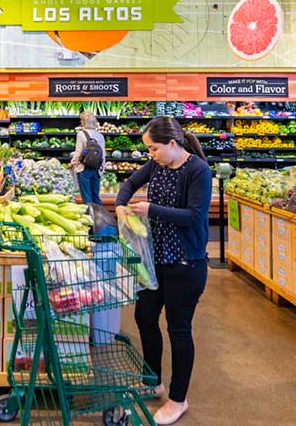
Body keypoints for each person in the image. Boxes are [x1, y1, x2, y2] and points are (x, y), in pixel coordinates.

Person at [115, 116, 212, 425]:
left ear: (172, 143)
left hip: (186, 264)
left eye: (153, 148)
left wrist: (151, 209)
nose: (151, 154)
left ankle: (178, 400)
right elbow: (129, 183)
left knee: (178, 330)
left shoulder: (199, 171)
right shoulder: (157, 165)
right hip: (155, 262)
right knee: (144, 317)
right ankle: (152, 381)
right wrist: (120, 205)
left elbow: (194, 217)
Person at [69, 111, 105, 205]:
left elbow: (78, 152)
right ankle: (99, 213)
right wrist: (101, 170)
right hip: (97, 169)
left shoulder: (81, 134)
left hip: (84, 168)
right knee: (96, 196)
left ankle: (90, 213)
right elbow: (103, 155)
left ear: (83, 122)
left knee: (87, 197)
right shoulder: (100, 136)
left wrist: (72, 163)